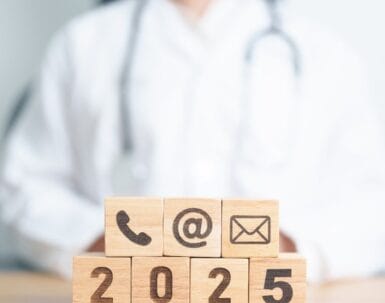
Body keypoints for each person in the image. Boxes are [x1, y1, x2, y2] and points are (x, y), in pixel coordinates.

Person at [1, 0, 384, 281]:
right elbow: (23, 186)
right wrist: (107, 243)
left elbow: (370, 205)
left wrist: (282, 247)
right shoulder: (83, 45)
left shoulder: (327, 56)